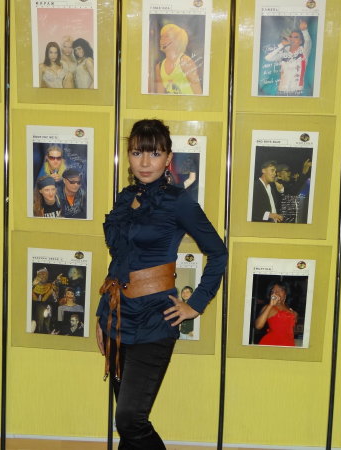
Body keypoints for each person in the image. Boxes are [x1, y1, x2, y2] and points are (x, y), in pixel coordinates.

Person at [95, 119, 227, 449]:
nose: (144, 162)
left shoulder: (178, 201)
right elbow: (119, 259)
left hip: (154, 319)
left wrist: (196, 304)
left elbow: (218, 253)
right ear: (128, 156)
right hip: (116, 317)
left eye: (154, 153)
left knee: (130, 418)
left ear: (168, 158)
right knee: (127, 426)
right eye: (136, 152)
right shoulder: (125, 198)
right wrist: (102, 315)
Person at [264, 20, 312, 96]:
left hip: (297, 91)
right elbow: (268, 58)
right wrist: (281, 45)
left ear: (300, 41)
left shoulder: (303, 52)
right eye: (291, 37)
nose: (293, 39)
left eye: (296, 37)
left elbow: (308, 41)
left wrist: (304, 31)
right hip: (281, 91)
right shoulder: (284, 53)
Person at [154, 24, 202, 95]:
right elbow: (160, 95)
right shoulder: (159, 67)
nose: (162, 39)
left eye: (167, 36)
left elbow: (198, 93)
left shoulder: (185, 62)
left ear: (177, 40)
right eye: (162, 36)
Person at [254, 281, 297, 346]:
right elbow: (258, 326)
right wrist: (270, 305)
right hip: (272, 343)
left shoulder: (292, 311)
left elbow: (291, 332)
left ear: (285, 293)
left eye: (280, 290)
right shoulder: (269, 308)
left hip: (288, 344)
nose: (276, 292)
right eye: (273, 291)